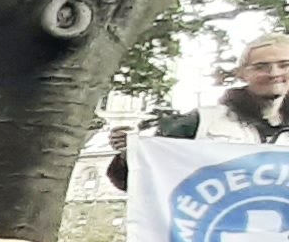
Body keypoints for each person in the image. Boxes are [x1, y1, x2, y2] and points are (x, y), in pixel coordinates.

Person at [108, 37, 289, 186]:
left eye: (284, 65)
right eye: (260, 67)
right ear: (242, 74)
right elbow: (138, 178)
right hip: (219, 226)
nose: (273, 73)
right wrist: (130, 152)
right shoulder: (202, 122)